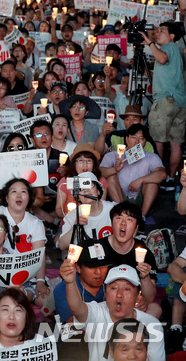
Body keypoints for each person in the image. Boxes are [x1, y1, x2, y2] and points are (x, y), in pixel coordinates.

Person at [60, 261, 164, 361]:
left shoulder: (152, 324)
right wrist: (70, 282)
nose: (119, 294)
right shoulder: (97, 312)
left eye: (127, 289)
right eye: (114, 288)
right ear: (105, 294)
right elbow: (76, 308)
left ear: (138, 297)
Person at [142, 21, 186, 190]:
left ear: (172, 36)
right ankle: (170, 178)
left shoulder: (169, 47)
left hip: (166, 101)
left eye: (162, 31)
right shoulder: (174, 51)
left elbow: (161, 57)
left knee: (158, 141)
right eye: (157, 31)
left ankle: (157, 179)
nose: (157, 33)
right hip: (180, 102)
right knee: (175, 143)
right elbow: (157, 72)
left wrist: (150, 43)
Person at [97, 202, 161, 318]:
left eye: (129, 219)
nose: (123, 223)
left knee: (155, 309)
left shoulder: (144, 253)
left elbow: (150, 297)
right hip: (104, 302)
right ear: (112, 224)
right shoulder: (99, 248)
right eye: (119, 218)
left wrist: (145, 277)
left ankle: (127, 332)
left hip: (130, 305)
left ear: (136, 228)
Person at [99, 124, 166, 218]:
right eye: (133, 137)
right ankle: (122, 213)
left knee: (152, 182)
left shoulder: (151, 157)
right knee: (110, 176)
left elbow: (162, 174)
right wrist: (115, 169)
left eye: (141, 138)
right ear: (126, 139)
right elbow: (100, 172)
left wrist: (141, 180)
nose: (137, 142)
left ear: (145, 142)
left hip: (141, 198)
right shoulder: (113, 155)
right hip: (119, 197)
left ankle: (142, 217)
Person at [53, 239, 110, 323]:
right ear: (78, 268)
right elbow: (74, 325)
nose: (98, 272)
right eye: (92, 267)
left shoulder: (112, 284)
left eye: (103, 266)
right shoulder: (63, 289)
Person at [58, 172, 115, 249]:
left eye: (89, 185)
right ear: (77, 196)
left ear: (98, 191)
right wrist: (75, 227)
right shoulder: (73, 216)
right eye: (81, 189)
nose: (86, 191)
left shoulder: (113, 209)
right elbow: (62, 245)